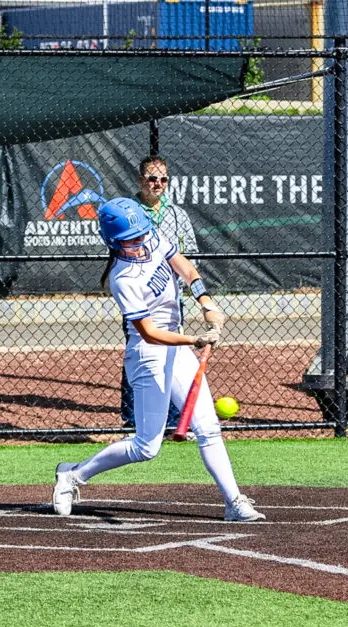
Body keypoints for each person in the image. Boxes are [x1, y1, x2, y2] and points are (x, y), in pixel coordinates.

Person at [53, 198, 265, 522]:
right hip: (148, 355)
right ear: (114, 242)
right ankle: (72, 476)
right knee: (146, 447)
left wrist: (205, 301)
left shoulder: (151, 237)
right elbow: (150, 333)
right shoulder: (122, 279)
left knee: (208, 428)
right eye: (130, 240)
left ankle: (233, 502)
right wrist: (195, 339)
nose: (139, 244)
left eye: (140, 235)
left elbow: (186, 268)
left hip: (176, 347)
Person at [120, 156, 199, 429]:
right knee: (140, 352)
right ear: (141, 180)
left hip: (171, 295)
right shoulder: (128, 212)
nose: (158, 184)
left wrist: (185, 277)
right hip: (141, 297)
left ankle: (175, 421)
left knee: (173, 355)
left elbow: (190, 253)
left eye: (163, 179)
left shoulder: (177, 214)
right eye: (152, 179)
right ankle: (133, 420)